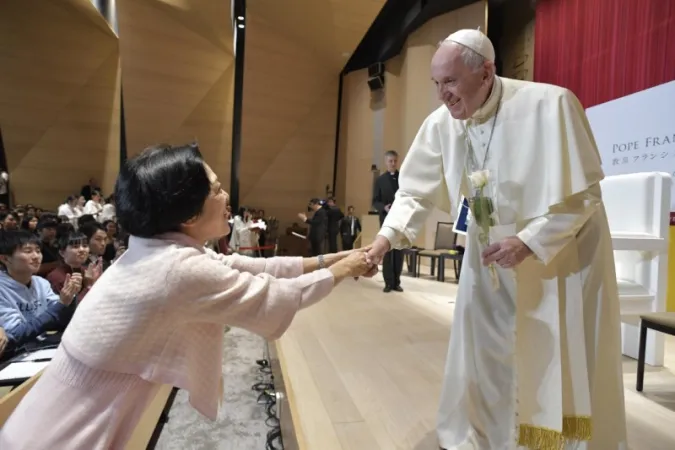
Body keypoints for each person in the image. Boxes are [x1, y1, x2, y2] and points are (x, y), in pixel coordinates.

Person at [0, 143, 373, 449]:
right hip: (61, 436)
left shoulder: (156, 247)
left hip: (45, 424)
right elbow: (272, 294)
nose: (226, 195)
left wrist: (334, 259)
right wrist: (349, 268)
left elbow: (249, 269)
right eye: (215, 189)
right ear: (189, 213)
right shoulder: (175, 268)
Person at [365, 29, 626, 450]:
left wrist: (528, 241)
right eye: (436, 84)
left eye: (449, 82)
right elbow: (413, 192)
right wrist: (385, 239)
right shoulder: (441, 125)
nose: (442, 95)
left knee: (553, 357)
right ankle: (493, 439)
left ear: (486, 73)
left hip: (556, 255)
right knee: (487, 358)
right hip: (488, 257)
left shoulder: (552, 104)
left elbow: (585, 196)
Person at [373, 150, 404, 292]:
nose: (393, 163)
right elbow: (375, 201)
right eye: (390, 161)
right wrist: (384, 207)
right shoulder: (380, 180)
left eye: (395, 161)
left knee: (399, 249)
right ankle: (388, 282)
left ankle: (397, 282)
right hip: (386, 219)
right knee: (386, 250)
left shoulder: (403, 178)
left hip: (401, 218)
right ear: (386, 162)